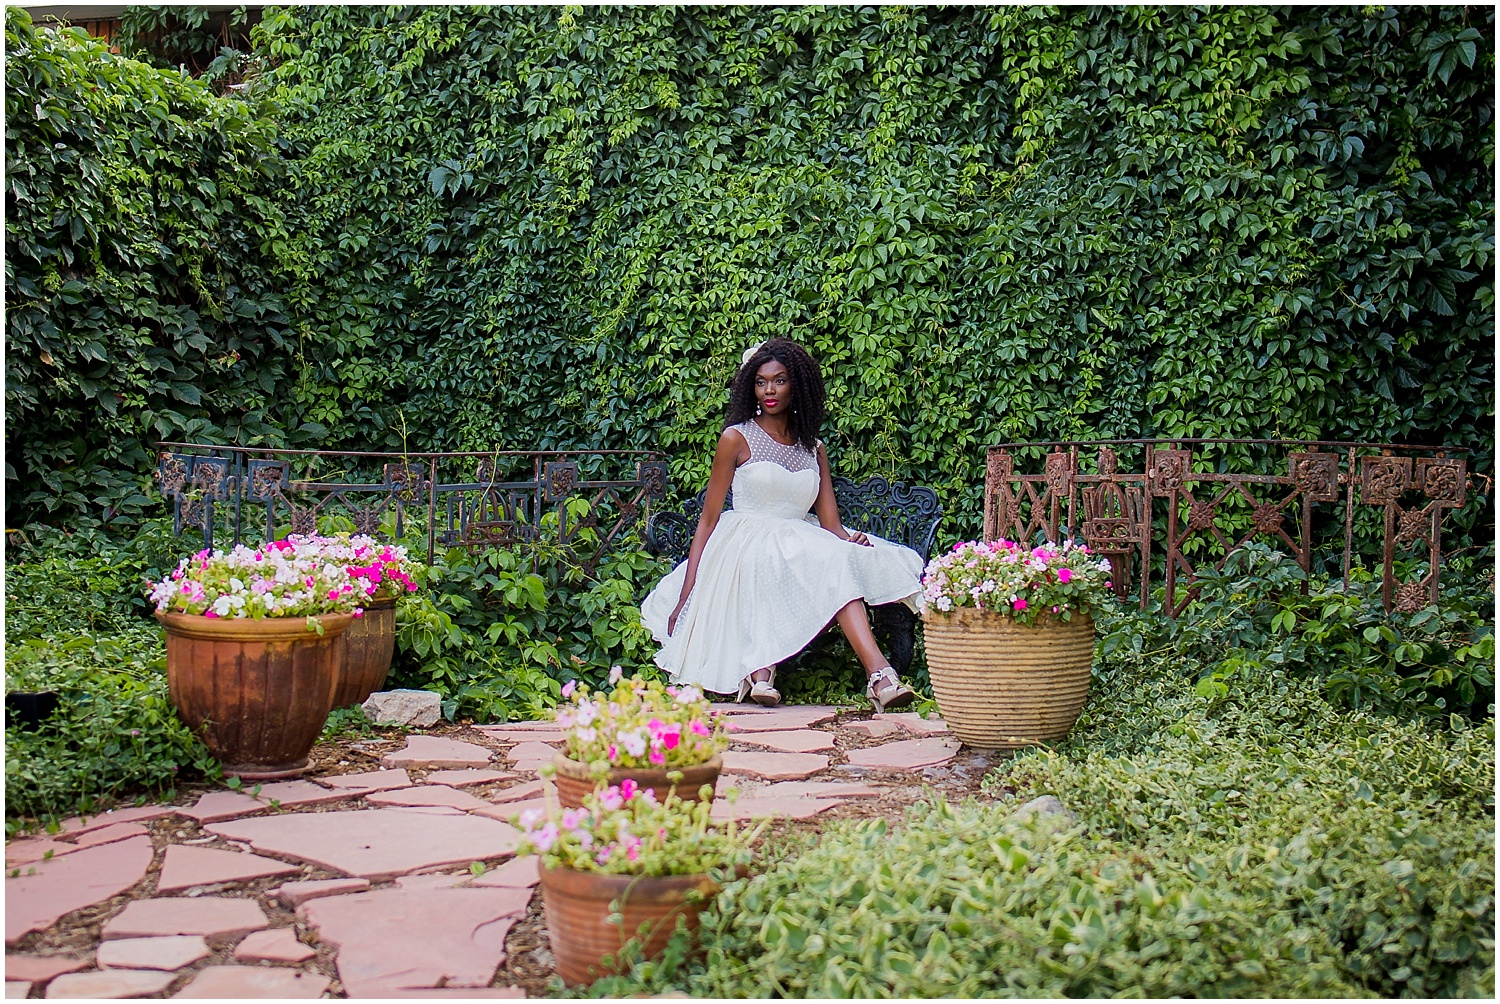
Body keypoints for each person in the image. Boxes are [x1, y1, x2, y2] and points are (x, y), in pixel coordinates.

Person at [640, 338, 923, 710]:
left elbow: (830, 523)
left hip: (797, 538)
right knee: (763, 560)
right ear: (751, 386)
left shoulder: (813, 448)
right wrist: (685, 595)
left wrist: (848, 540)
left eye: (779, 380)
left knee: (838, 560)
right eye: (761, 382)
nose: (769, 390)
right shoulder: (735, 438)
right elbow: (708, 520)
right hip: (743, 539)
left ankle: (878, 676)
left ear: (797, 386)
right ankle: (762, 669)